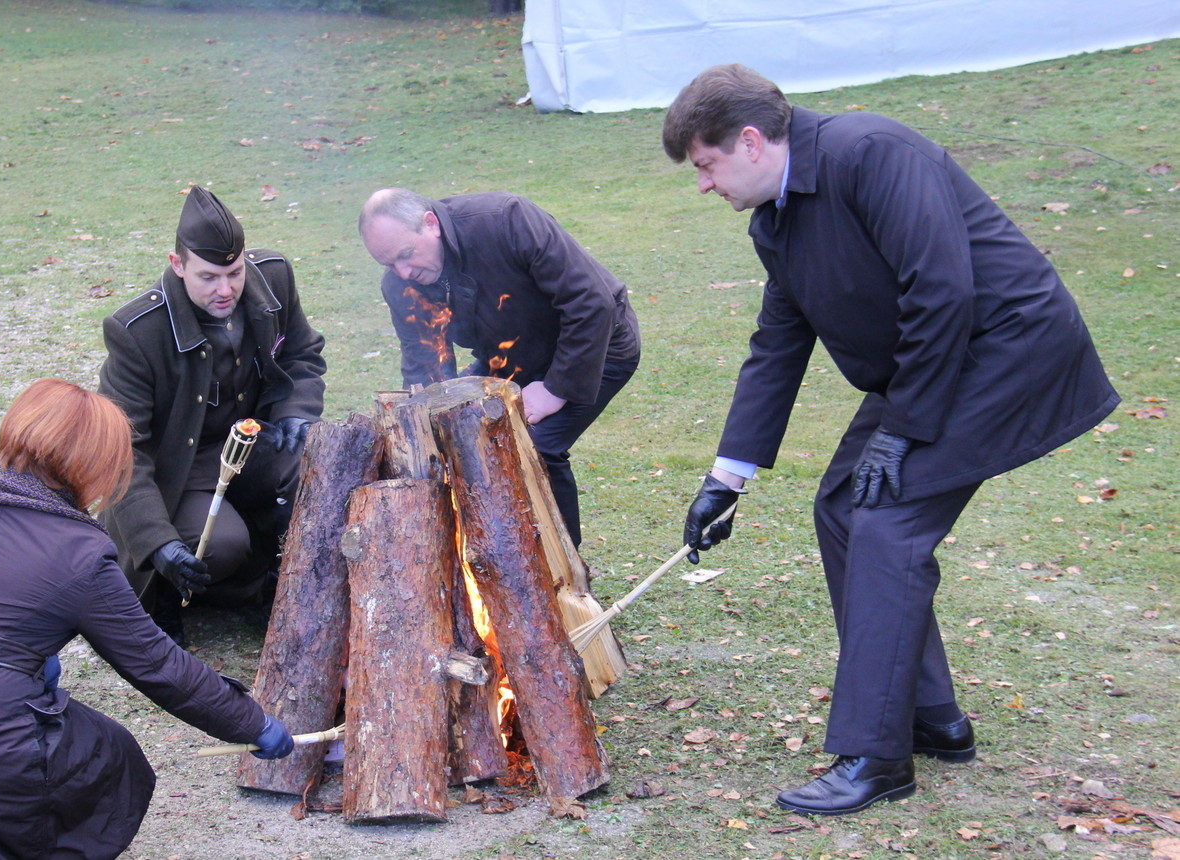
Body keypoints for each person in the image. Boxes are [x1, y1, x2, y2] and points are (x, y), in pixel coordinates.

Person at [662, 64, 1119, 816]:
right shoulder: (775, 221)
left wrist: (902, 431)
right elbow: (777, 344)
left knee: (886, 525)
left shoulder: (872, 152)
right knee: (843, 508)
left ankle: (877, 757)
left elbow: (942, 287)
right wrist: (726, 478)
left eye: (706, 165)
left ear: (748, 141)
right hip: (933, 364)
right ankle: (930, 716)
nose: (704, 185)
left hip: (1009, 349)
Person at [0, 378, 295, 860]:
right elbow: (158, 665)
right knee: (108, 755)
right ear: (99, 466)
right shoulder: (79, 552)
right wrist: (252, 724)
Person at [99, 186, 327, 645]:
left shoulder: (274, 277)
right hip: (178, 471)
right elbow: (121, 453)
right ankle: (168, 592)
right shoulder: (136, 333)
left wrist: (296, 414)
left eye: (235, 272)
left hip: (253, 444)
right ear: (177, 264)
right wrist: (157, 544)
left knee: (318, 474)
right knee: (220, 547)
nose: (226, 290)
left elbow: (302, 353)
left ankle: (279, 589)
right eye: (208, 277)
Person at [358, 187, 641, 546]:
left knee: (533, 446)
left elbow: (590, 302)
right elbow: (423, 359)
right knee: (457, 437)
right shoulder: (402, 281)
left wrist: (556, 389)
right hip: (510, 361)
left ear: (431, 224)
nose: (403, 272)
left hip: (598, 345)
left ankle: (564, 569)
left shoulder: (504, 220)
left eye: (406, 255)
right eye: (389, 264)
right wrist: (421, 422)